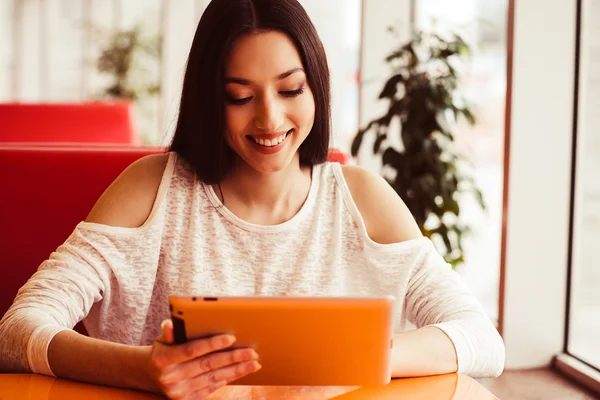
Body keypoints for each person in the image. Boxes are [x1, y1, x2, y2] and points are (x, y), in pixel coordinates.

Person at [0, 0, 505, 398]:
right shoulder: (151, 191)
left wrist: (356, 358)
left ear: (317, 90)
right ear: (207, 102)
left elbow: (481, 340)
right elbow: (17, 331)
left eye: (290, 89)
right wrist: (144, 370)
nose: (268, 120)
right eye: (239, 97)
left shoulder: (362, 201)